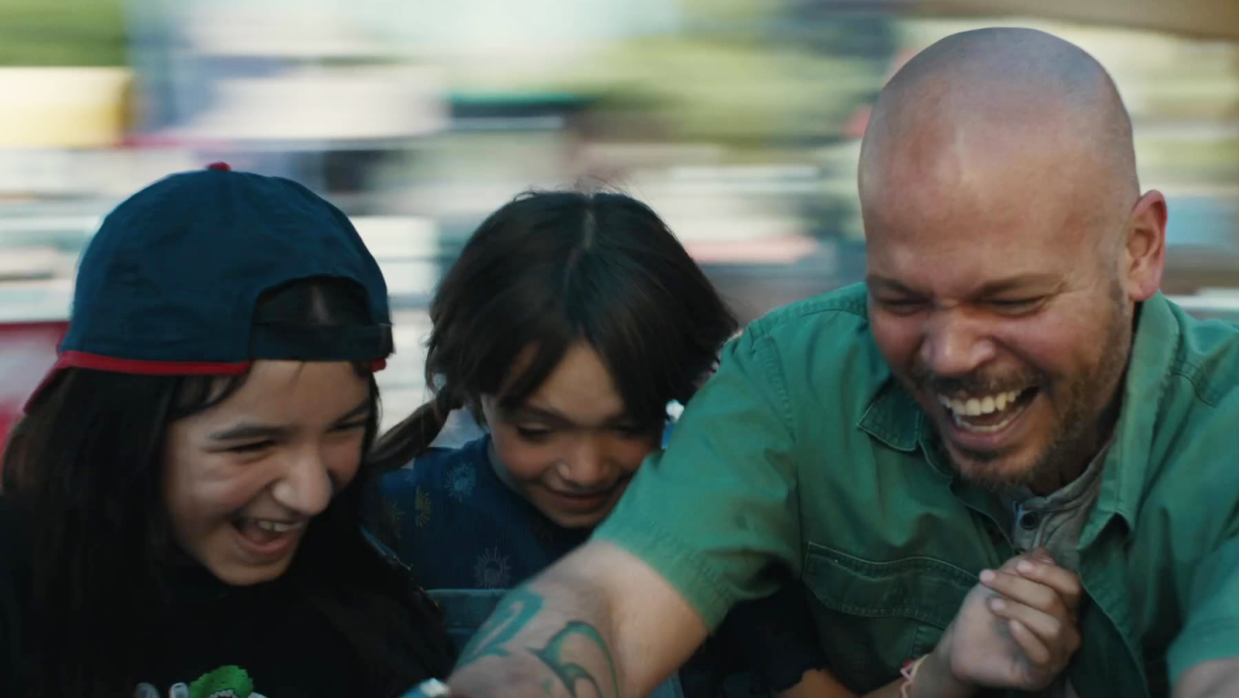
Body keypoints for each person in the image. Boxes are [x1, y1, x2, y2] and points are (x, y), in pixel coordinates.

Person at [429, 28, 1239, 698]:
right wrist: (512, 678)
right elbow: (612, 595)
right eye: (900, 299)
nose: (949, 353)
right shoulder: (789, 383)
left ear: (1139, 251)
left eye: (1011, 300)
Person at [0, 164, 456, 698]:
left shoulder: (370, 617)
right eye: (253, 445)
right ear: (120, 433)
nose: (309, 494)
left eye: (344, 430)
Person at [368, 191, 842, 698]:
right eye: (537, 431)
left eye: (627, 426)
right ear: (469, 389)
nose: (586, 469)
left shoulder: (720, 530)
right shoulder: (391, 523)